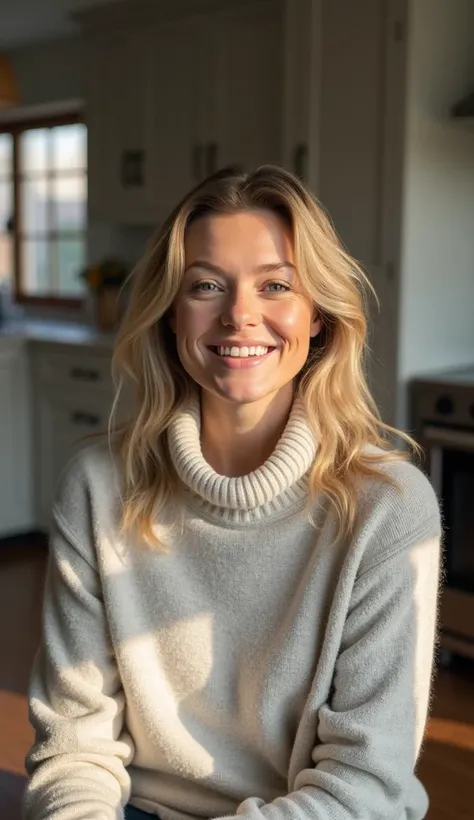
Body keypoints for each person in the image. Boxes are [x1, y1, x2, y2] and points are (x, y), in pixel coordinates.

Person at [24, 166, 442, 820]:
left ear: (320, 318)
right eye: (207, 286)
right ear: (169, 316)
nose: (240, 314)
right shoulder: (98, 486)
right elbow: (75, 745)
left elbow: (364, 786)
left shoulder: (388, 509)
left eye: (276, 285)